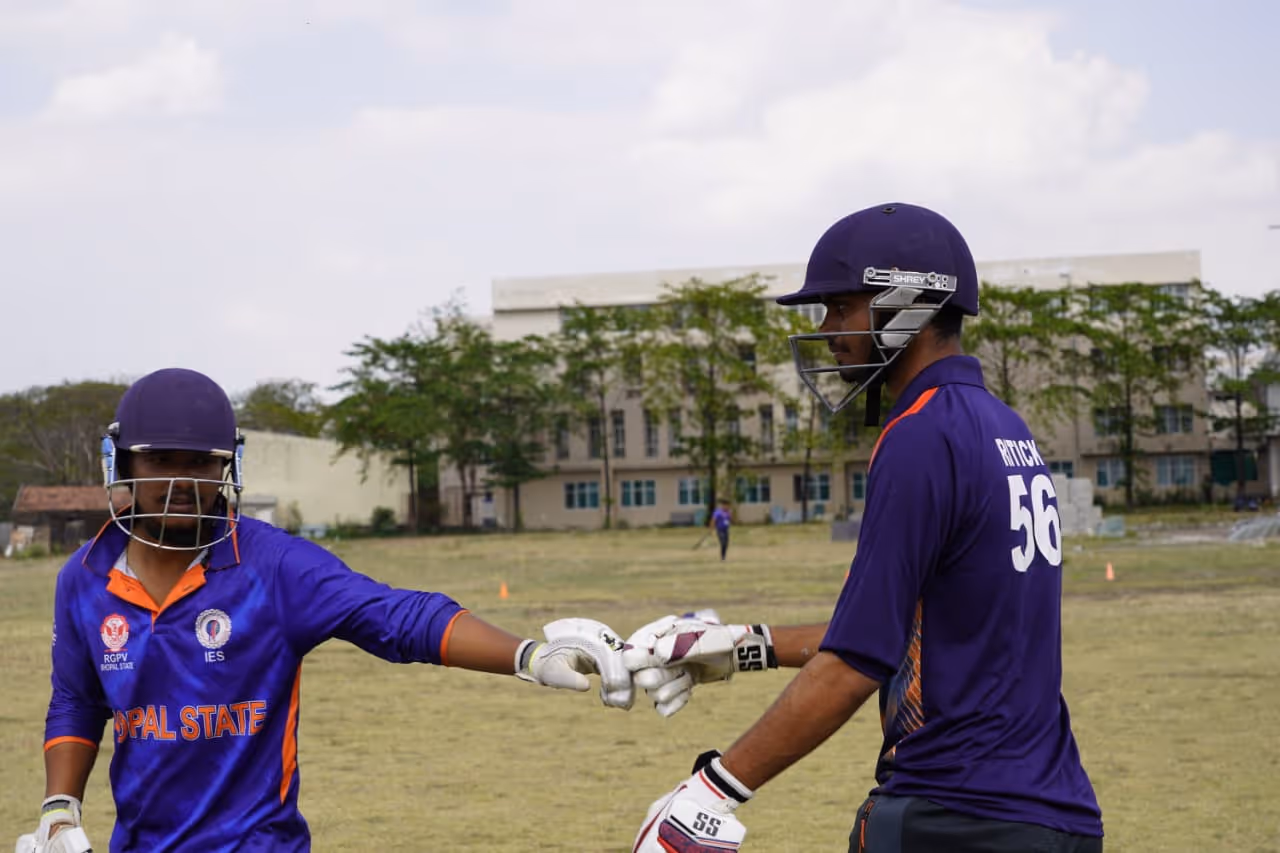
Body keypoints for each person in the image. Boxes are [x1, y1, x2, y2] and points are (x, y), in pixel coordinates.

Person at [625, 203, 1104, 852]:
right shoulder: (1003, 425)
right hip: (1058, 814)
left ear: (908, 301)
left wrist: (713, 790)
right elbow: (927, 630)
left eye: (841, 307)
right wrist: (744, 643)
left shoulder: (920, 434)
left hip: (954, 811)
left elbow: (858, 659)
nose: (827, 329)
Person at [16, 368, 633, 853]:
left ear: (227, 466)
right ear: (122, 463)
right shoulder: (84, 578)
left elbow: (396, 617)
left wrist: (528, 655)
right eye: (160, 460)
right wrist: (59, 807)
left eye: (200, 462)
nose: (182, 482)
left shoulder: (272, 566)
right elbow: (77, 700)